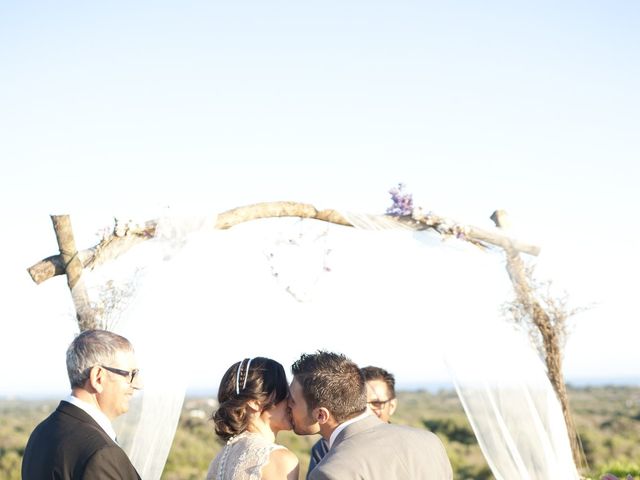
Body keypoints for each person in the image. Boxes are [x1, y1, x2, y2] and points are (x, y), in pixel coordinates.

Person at [289, 351, 453, 480]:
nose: (287, 405)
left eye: (293, 401)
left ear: (321, 415)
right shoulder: (430, 441)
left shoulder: (330, 473)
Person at [22, 329, 142, 479]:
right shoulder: (101, 453)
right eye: (130, 375)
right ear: (98, 378)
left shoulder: (41, 433)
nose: (138, 385)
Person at [206, 357, 299, 480]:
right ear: (254, 402)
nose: (290, 400)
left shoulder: (219, 461)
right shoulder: (280, 460)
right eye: (284, 390)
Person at [306, 365, 398, 477]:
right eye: (362, 405)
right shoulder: (326, 447)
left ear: (392, 406)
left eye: (376, 404)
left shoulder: (405, 444)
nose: (368, 410)